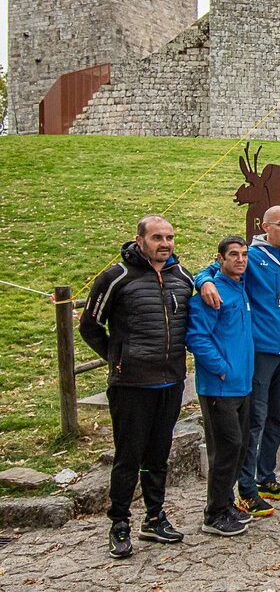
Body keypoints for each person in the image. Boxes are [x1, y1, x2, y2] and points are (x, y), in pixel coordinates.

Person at [80, 215, 194, 558]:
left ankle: (155, 517)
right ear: (139, 240)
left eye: (170, 237)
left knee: (159, 454)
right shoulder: (116, 277)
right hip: (131, 383)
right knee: (128, 457)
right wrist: (117, 358)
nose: (165, 243)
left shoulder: (181, 276)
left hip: (171, 379)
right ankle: (119, 523)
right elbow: (90, 326)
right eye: (157, 237)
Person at [196, 205, 280, 517]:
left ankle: (266, 478)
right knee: (255, 421)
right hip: (260, 353)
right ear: (265, 226)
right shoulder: (252, 256)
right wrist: (202, 280)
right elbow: (214, 270)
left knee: (277, 417)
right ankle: (245, 489)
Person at [185, 236, 254, 537]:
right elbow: (197, 337)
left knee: (238, 449)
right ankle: (213, 513)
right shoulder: (211, 292)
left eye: (244, 255)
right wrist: (222, 369)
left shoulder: (240, 286)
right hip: (219, 387)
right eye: (233, 255)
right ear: (220, 259)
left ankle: (226, 503)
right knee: (226, 449)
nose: (240, 260)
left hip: (242, 385)